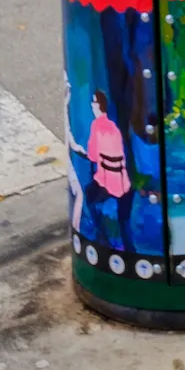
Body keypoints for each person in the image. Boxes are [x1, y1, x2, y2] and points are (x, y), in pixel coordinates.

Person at [69, 90, 135, 251]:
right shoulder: (113, 127)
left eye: (94, 102)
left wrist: (80, 150)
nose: (92, 105)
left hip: (107, 181)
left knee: (90, 197)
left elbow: (92, 155)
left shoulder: (97, 125)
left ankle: (101, 239)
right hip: (122, 181)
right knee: (123, 219)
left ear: (99, 105)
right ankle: (127, 246)